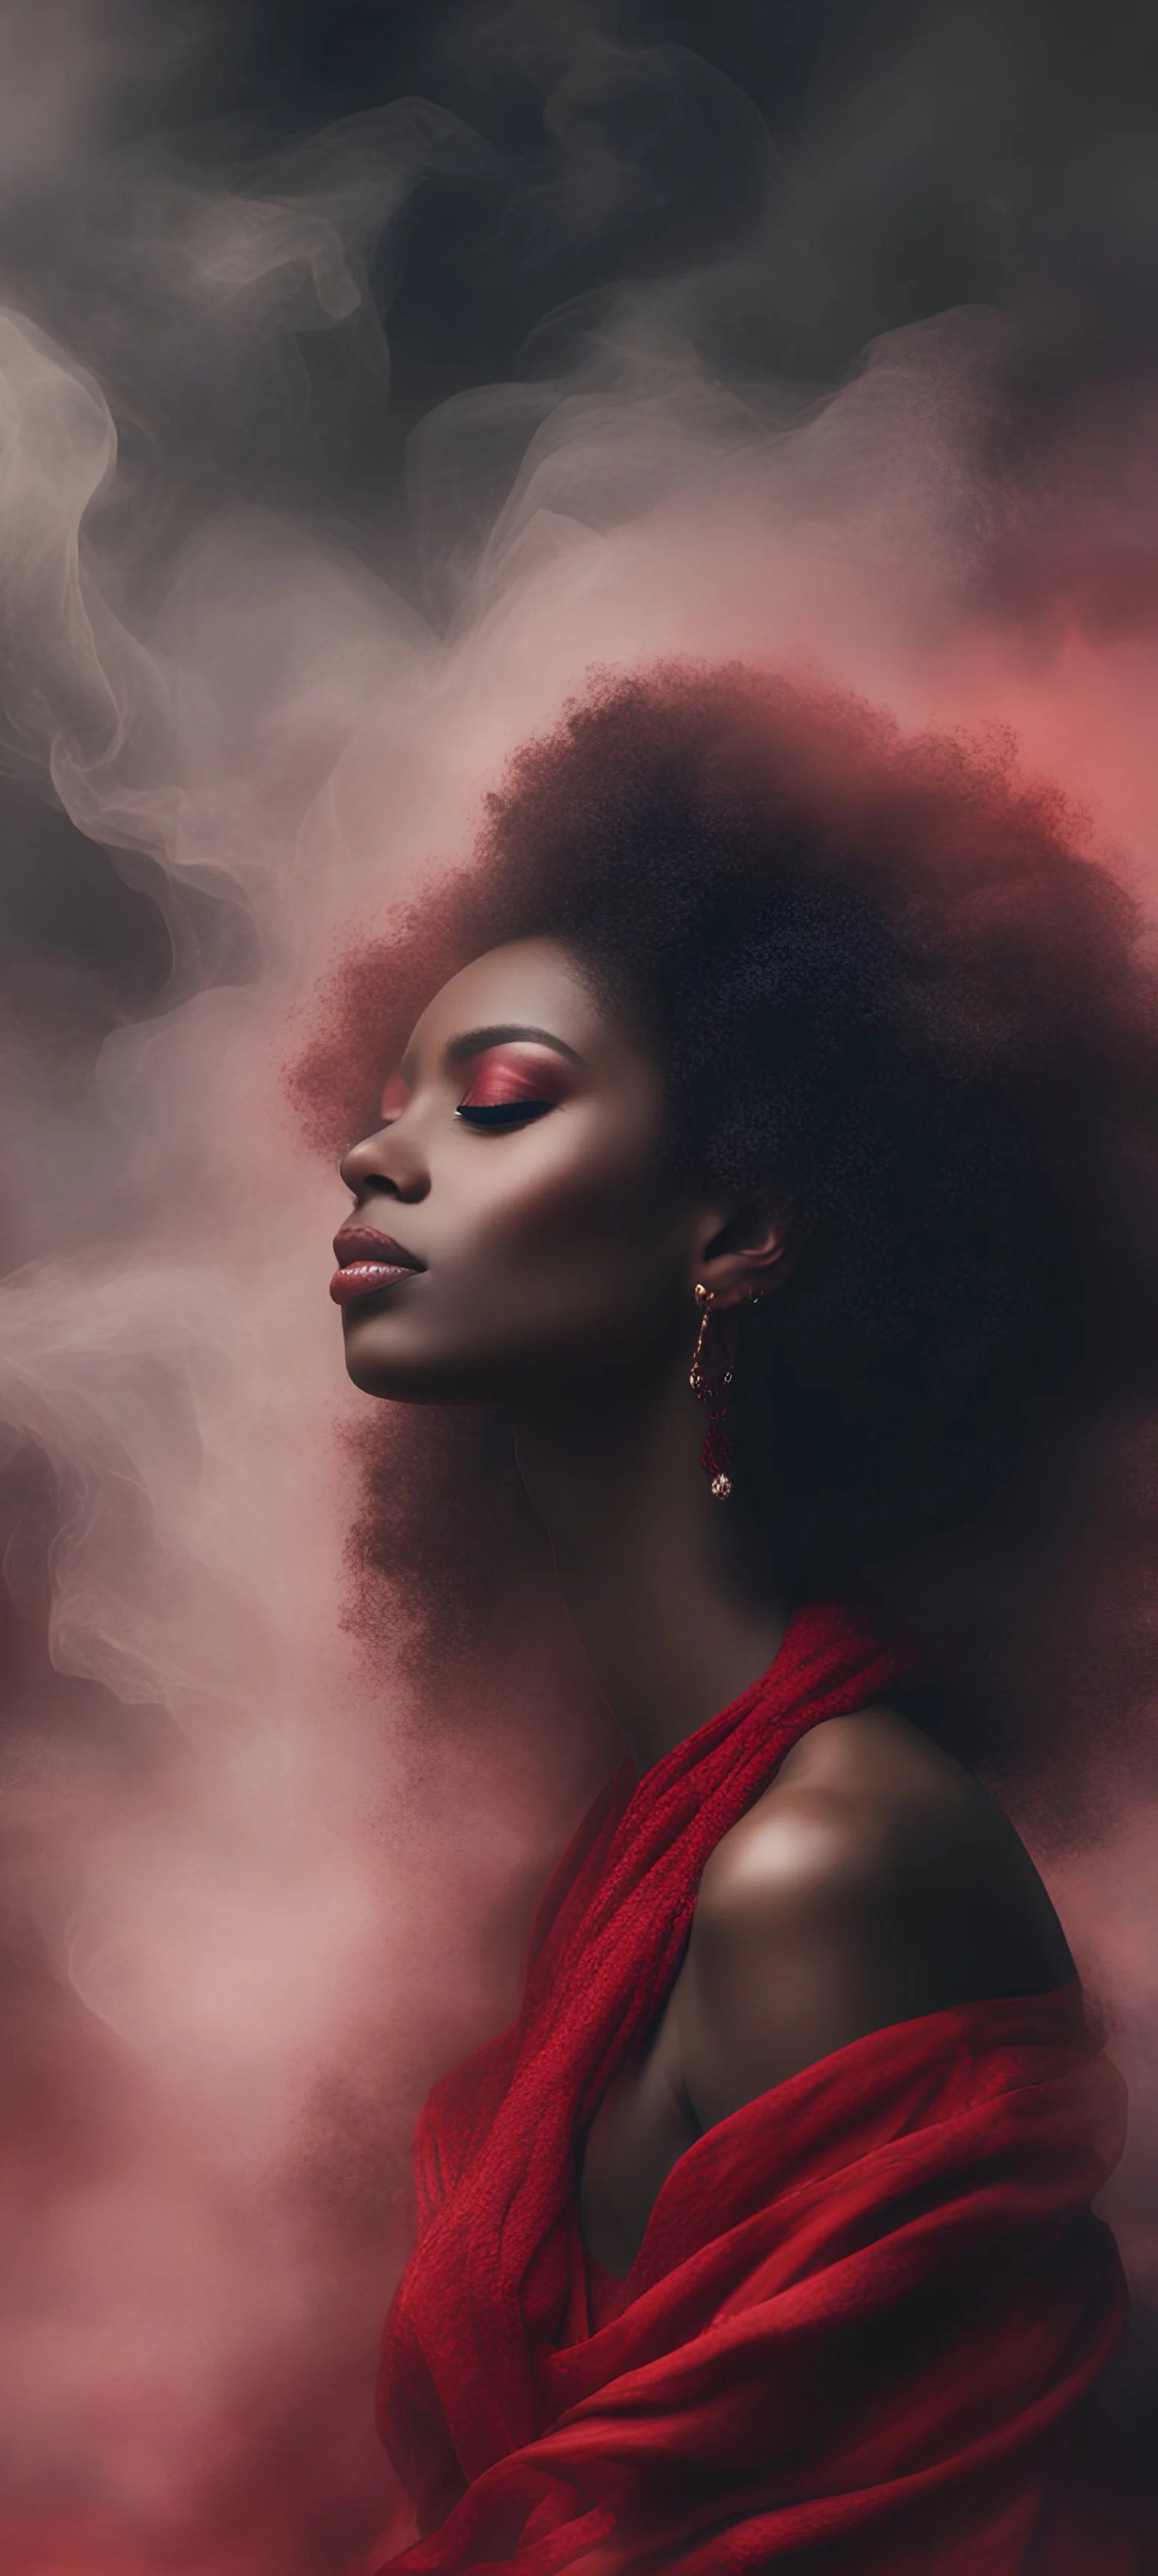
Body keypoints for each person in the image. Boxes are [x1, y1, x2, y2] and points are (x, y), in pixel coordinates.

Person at [306, 664, 1153, 2573]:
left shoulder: (830, 1862)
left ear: (742, 1224)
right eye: (391, 1099)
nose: (378, 1152)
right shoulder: (654, 1843)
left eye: (499, 1097)